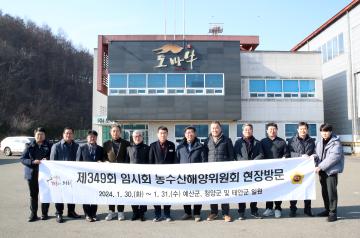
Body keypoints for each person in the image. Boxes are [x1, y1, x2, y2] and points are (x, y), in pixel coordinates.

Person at [312, 123, 344, 222]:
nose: (324, 133)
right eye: (322, 131)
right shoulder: (319, 142)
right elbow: (317, 154)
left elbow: (333, 158)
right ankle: (327, 209)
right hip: (322, 171)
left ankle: (333, 212)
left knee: (331, 192)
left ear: (330, 132)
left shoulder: (336, 143)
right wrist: (312, 157)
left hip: (331, 171)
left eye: (327, 131)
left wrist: (320, 166)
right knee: (324, 191)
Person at [204, 121, 235, 222]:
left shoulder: (227, 140)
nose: (214, 130)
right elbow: (204, 156)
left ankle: (225, 213)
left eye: (216, 128)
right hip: (211, 172)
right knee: (213, 193)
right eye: (212, 128)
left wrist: (229, 169)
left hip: (224, 172)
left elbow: (231, 156)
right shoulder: (207, 140)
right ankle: (214, 213)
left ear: (220, 128)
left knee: (224, 193)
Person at [20, 127, 52, 222]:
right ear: (35, 135)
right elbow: (22, 159)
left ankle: (44, 214)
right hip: (32, 174)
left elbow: (54, 157)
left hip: (46, 175)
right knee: (33, 195)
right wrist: (33, 161)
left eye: (42, 134)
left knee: (45, 194)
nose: (40, 136)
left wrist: (48, 159)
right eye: (38, 134)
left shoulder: (50, 145)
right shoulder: (29, 146)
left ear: (45, 135)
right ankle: (33, 214)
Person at [50, 127, 81, 223]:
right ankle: (59, 213)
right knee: (59, 194)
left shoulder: (76, 146)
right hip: (59, 175)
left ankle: (71, 211)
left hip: (72, 175)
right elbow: (52, 161)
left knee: (71, 193)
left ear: (73, 135)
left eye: (70, 133)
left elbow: (79, 160)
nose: (68, 135)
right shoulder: (56, 146)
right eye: (67, 133)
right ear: (63, 134)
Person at [233, 123, 263, 220]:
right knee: (242, 191)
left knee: (254, 191)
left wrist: (253, 162)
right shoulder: (238, 142)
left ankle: (254, 211)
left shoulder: (258, 142)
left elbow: (261, 154)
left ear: (252, 131)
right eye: (245, 129)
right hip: (242, 170)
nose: (247, 131)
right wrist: (244, 162)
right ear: (242, 131)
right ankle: (241, 212)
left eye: (249, 129)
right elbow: (236, 155)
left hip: (254, 171)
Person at [176, 126, 206, 222]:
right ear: (185, 135)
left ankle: (197, 213)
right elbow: (176, 161)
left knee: (197, 194)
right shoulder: (180, 146)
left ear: (195, 134)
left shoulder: (200, 146)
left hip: (197, 176)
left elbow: (203, 161)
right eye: (187, 132)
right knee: (186, 194)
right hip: (184, 176)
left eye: (191, 132)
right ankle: (187, 213)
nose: (189, 134)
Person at [287, 122, 315, 217]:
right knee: (294, 189)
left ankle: (307, 209)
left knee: (308, 189)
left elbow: (315, 152)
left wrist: (314, 155)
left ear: (307, 130)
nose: (303, 130)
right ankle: (293, 209)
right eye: (301, 129)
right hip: (296, 169)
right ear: (297, 130)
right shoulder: (291, 141)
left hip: (308, 170)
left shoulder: (312, 140)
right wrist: (300, 156)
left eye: (305, 129)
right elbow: (289, 154)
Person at [261, 122, 289, 218]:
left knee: (278, 189)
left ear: (277, 130)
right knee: (268, 190)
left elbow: (287, 154)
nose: (272, 131)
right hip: (267, 170)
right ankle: (269, 208)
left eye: (274, 129)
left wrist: (284, 157)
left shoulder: (282, 141)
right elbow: (261, 155)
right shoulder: (262, 142)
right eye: (270, 129)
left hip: (279, 170)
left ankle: (278, 208)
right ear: (267, 131)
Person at [103, 124, 130, 221]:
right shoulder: (106, 144)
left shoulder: (126, 143)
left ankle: (120, 212)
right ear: (110, 132)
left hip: (122, 173)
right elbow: (103, 157)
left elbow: (128, 157)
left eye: (117, 131)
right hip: (110, 173)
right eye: (113, 131)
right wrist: (105, 161)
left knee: (120, 192)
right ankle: (111, 211)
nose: (115, 133)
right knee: (111, 192)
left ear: (120, 132)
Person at [149, 126, 176, 222]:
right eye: (161, 133)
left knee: (167, 194)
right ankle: (157, 214)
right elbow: (150, 161)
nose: (163, 135)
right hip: (156, 176)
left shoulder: (172, 145)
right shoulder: (152, 146)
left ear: (167, 134)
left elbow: (174, 160)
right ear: (157, 134)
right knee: (156, 195)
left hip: (169, 176)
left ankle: (167, 214)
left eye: (164, 133)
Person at [76, 130, 104, 222]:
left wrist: (102, 162)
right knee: (86, 196)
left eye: (94, 137)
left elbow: (103, 159)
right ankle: (87, 214)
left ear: (96, 138)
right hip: (85, 176)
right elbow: (78, 162)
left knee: (95, 195)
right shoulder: (82, 148)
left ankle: (94, 213)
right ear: (87, 138)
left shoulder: (100, 148)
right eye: (90, 137)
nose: (92, 138)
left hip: (96, 177)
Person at [126, 130, 149, 221]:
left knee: (143, 195)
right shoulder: (128, 148)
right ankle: (135, 212)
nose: (137, 137)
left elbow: (149, 161)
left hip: (144, 176)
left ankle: (142, 213)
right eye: (135, 136)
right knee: (134, 195)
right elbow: (126, 162)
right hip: (132, 177)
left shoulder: (147, 148)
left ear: (142, 137)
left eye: (139, 136)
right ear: (132, 137)